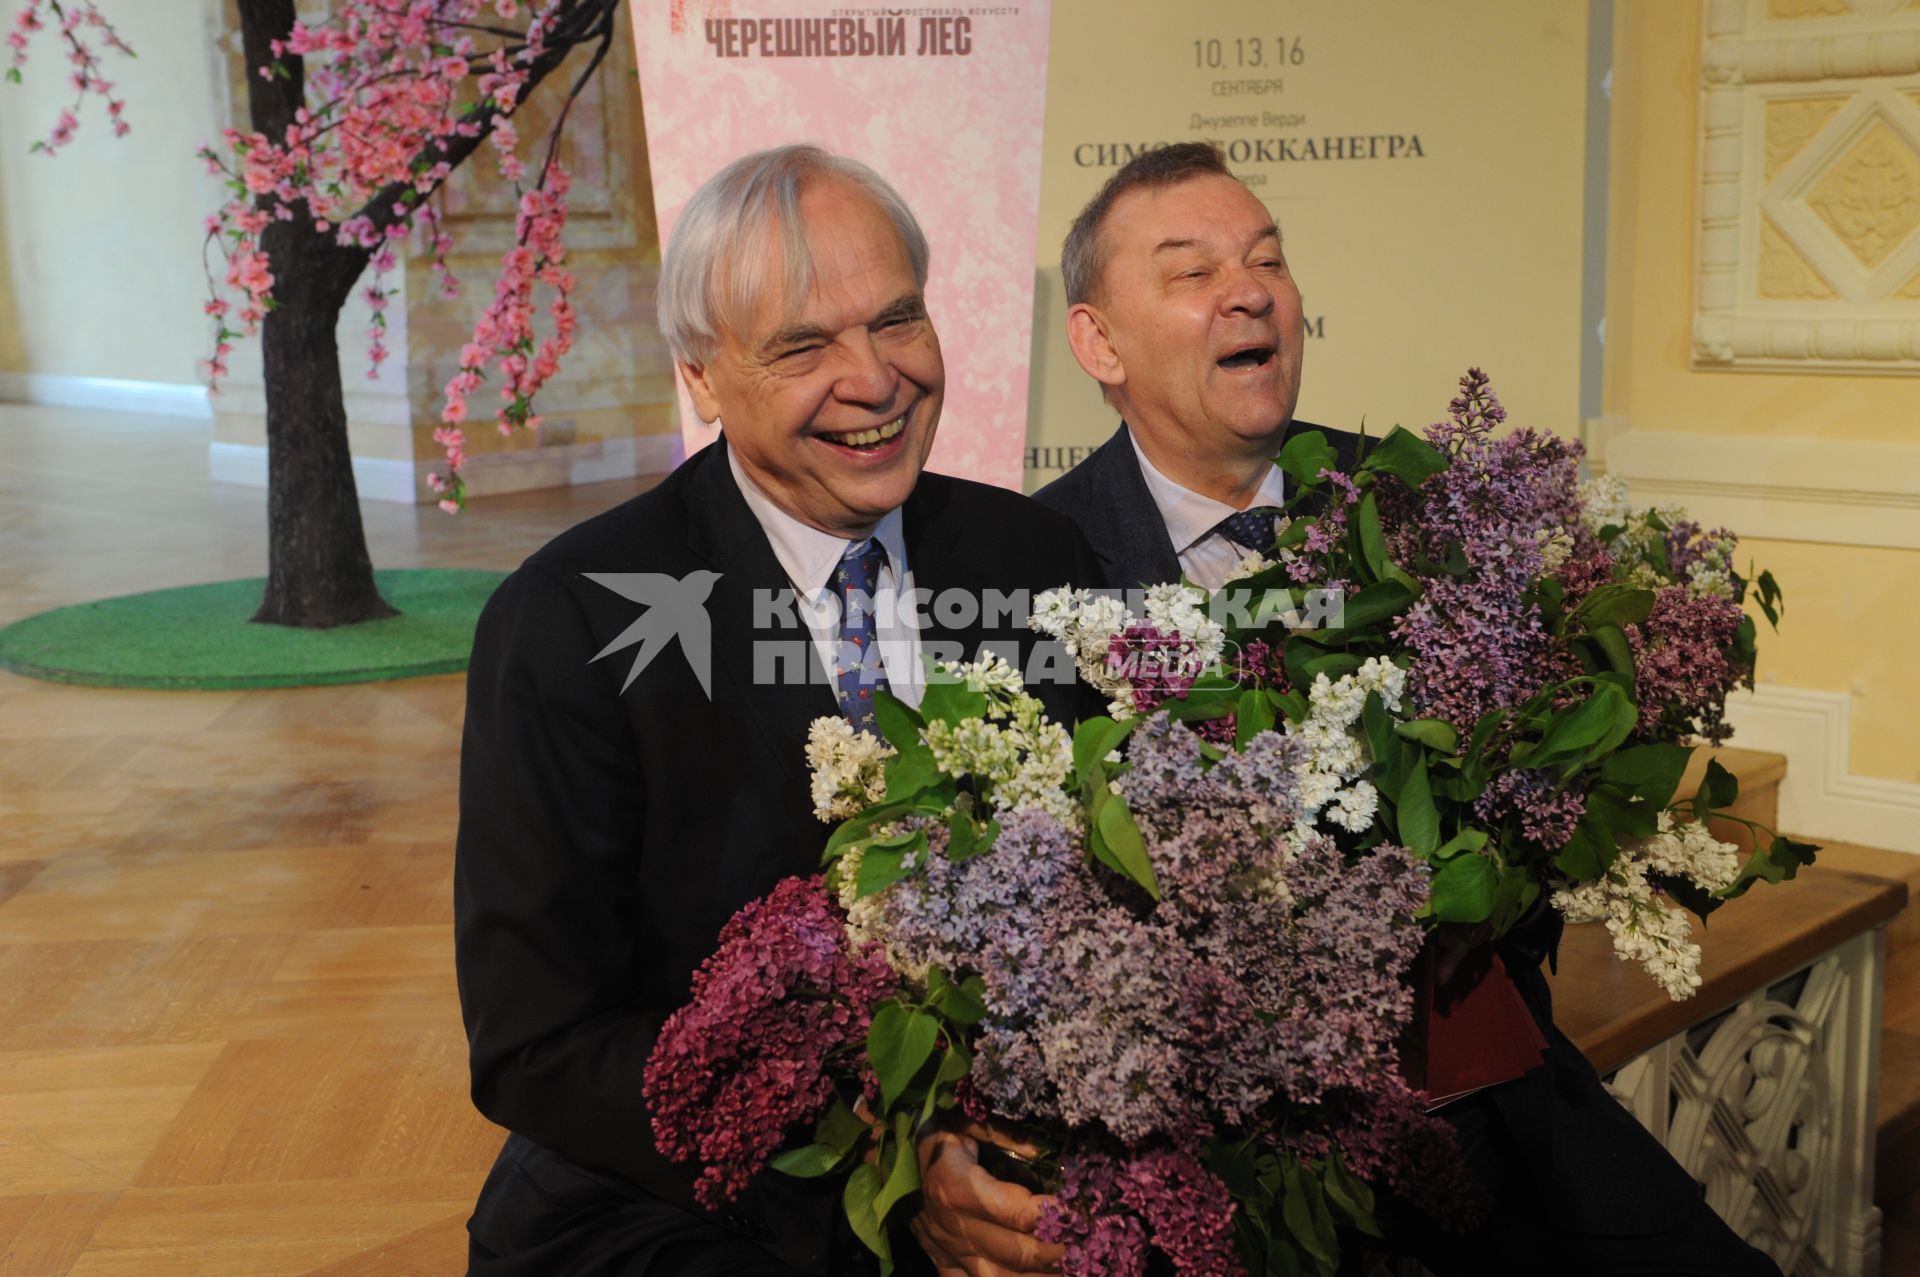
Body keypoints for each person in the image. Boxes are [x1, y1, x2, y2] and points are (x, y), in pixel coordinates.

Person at [1035, 141, 1782, 1277]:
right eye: (1190, 273)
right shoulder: (1039, 564)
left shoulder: (1419, 499)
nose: (1249, 291)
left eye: (1268, 259)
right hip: (1233, 1154)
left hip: (1483, 1085)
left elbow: (1536, 800)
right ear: (1098, 340)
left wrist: (1487, 893)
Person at [455, 144, 1089, 1277]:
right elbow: (539, 1046)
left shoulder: (1035, 557)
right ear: (700, 376)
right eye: (804, 345)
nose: (876, 378)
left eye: (897, 320)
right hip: (685, 1205)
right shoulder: (570, 621)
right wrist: (888, 1168)